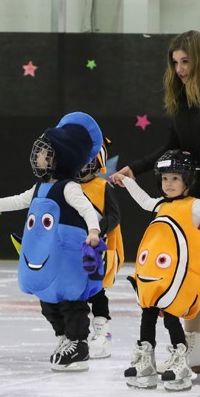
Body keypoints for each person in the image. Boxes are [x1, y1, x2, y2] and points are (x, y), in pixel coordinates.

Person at [111, 30, 200, 387]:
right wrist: (137, 168)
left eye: (186, 61)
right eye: (175, 62)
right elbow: (171, 147)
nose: (180, 69)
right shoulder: (181, 98)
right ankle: (194, 346)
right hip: (192, 198)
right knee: (196, 272)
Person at [0, 112, 103, 372]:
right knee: (47, 299)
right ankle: (63, 337)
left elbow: (87, 209)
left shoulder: (69, 187)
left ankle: (78, 343)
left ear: (63, 158)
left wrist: (93, 230)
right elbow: (19, 200)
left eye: (46, 154)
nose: (39, 158)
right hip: (43, 252)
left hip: (65, 254)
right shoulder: (40, 186)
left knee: (71, 299)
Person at [116, 149, 200, 391]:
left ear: (188, 181)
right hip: (156, 276)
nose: (168, 184)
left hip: (179, 278)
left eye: (175, 178)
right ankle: (146, 359)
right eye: (165, 178)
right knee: (147, 313)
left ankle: (180, 360)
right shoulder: (159, 204)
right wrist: (127, 181)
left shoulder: (195, 206)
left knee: (171, 317)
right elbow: (143, 200)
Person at [76, 137, 124, 359]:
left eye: (86, 160)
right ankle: (76, 334)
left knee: (96, 291)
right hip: (71, 248)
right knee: (75, 292)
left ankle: (102, 331)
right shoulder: (67, 186)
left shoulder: (102, 186)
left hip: (96, 248)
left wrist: (97, 229)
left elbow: (114, 215)